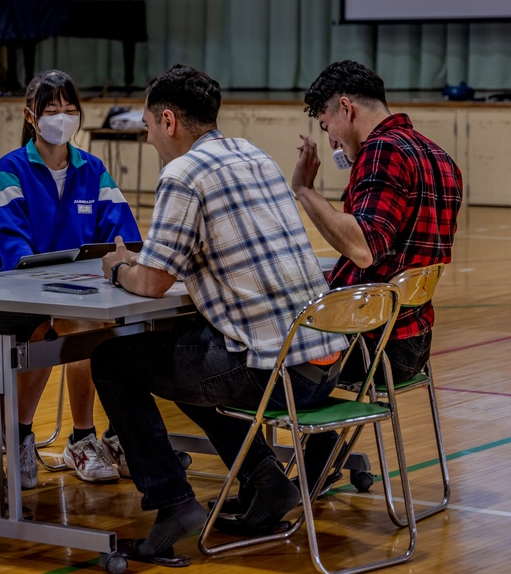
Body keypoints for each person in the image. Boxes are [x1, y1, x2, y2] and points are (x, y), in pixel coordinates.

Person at [90, 64, 347, 565]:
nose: (148, 139)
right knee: (184, 348)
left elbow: (151, 281)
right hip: (324, 362)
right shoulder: (254, 155)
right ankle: (265, 479)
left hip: (274, 374)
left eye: (146, 126)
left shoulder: (183, 174)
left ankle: (172, 502)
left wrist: (118, 266)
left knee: (115, 361)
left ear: (168, 121)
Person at [0, 69, 141, 489]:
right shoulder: (11, 168)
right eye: (51, 109)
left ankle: (100, 436)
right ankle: (25, 435)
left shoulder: (92, 169)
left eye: (70, 109)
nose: (62, 117)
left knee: (113, 325)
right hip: (25, 297)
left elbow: (122, 235)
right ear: (30, 116)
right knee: (64, 328)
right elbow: (13, 244)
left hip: (86, 291)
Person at [291, 60, 463, 384]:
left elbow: (364, 247)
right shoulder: (442, 158)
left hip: (370, 343)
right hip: (414, 341)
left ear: (346, 108)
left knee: (253, 359)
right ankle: (320, 436)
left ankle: (307, 436)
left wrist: (305, 191)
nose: (331, 142)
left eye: (328, 127)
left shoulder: (382, 150)